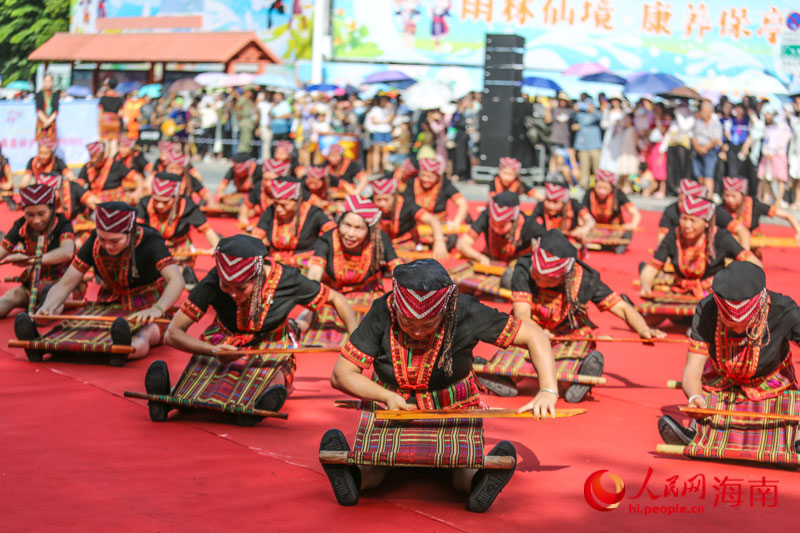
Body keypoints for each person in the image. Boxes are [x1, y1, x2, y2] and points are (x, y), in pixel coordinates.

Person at [320, 259, 557, 511]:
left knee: (463, 465)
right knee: (374, 462)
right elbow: (341, 375)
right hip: (393, 406)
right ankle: (353, 478)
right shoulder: (383, 310)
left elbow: (534, 336)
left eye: (428, 325)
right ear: (397, 309)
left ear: (446, 311)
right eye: (408, 323)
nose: (418, 332)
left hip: (453, 405)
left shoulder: (466, 310)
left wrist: (547, 390)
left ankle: (479, 482)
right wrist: (385, 396)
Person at [154, 235, 357, 421]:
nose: (233, 294)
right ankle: (172, 397)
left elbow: (336, 299)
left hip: (271, 344)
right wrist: (213, 351)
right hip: (224, 341)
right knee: (206, 376)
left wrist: (356, 340)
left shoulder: (288, 279)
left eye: (241, 288)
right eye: (226, 287)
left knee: (270, 378)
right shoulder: (214, 279)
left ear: (259, 277)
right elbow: (172, 334)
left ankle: (260, 400)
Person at [479, 230, 665, 400]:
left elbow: (622, 308)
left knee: (565, 376)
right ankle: (502, 377)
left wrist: (643, 328)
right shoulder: (525, 268)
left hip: (568, 333)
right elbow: (521, 314)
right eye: (535, 274)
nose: (535, 276)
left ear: (562, 277)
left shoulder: (585, 279)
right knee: (515, 363)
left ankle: (582, 376)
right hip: (531, 328)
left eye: (544, 279)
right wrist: (540, 334)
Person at [658, 262, 800, 466]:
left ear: (758, 305)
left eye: (744, 322)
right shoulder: (707, 308)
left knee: (791, 404)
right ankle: (697, 436)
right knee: (706, 403)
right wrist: (695, 396)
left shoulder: (784, 310)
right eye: (730, 323)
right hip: (722, 382)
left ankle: (793, 442)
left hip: (772, 384)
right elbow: (693, 369)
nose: (738, 328)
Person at [28, 202, 184, 359]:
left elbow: (176, 280)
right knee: (83, 328)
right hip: (110, 303)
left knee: (146, 333)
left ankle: (122, 350)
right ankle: (42, 346)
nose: (108, 246)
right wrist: (48, 307)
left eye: (115, 241)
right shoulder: (94, 240)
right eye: (103, 239)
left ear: (131, 232)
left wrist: (158, 309)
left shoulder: (151, 240)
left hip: (148, 304)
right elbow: (66, 283)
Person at [640, 195, 761, 299]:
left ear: (706, 222)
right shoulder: (673, 235)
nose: (687, 225)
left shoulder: (720, 237)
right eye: (684, 219)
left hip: (713, 295)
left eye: (693, 220)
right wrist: (646, 286)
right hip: (680, 293)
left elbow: (753, 263)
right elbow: (652, 267)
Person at [0, 185, 77, 317]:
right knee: (11, 296)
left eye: (41, 214)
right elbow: (2, 249)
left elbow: (67, 251)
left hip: (63, 284)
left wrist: (30, 260)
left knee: (55, 301)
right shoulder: (21, 225)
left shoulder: (63, 223)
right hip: (33, 284)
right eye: (30, 214)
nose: (36, 220)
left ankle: (36, 323)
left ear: (52, 209)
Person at [135, 172, 220, 286]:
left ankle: (182, 272)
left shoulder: (187, 206)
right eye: (156, 200)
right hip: (152, 246)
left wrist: (215, 246)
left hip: (178, 248)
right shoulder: (145, 203)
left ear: (176, 198)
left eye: (165, 202)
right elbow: (134, 231)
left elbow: (208, 231)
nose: (160, 205)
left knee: (173, 268)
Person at [251, 179, 337, 262]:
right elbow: (255, 238)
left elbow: (333, 233)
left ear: (298, 202)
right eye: (276, 203)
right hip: (275, 261)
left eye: (283, 205)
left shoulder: (313, 213)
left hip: (305, 263)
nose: (278, 208)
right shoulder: (271, 210)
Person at [657, 179, 751, 248]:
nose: (685, 205)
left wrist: (743, 260)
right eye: (681, 200)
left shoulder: (713, 210)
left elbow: (742, 231)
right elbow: (662, 236)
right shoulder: (671, 210)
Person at [457, 191, 545, 265]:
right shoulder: (486, 215)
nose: (496, 227)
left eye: (502, 225)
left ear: (514, 221)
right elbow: (462, 244)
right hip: (490, 261)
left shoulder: (529, 225)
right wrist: (479, 257)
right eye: (494, 223)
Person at [371, 175, 448, 259]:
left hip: (404, 244)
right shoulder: (368, 204)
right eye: (378, 200)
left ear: (394, 197)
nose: (382, 204)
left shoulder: (407, 204)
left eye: (386, 200)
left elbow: (432, 220)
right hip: (380, 243)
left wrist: (439, 241)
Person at [720, 177, 800, 250]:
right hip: (727, 247)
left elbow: (787, 215)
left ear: (742, 195)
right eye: (727, 195)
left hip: (751, 247)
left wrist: (798, 232)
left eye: (733, 196)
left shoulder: (754, 205)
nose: (730, 200)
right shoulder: (720, 209)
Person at [402, 157, 468, 228]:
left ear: (437, 176)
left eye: (429, 177)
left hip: (440, 226)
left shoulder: (444, 184)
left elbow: (462, 204)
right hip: (415, 227)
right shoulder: (412, 183)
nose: (425, 179)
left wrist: (456, 222)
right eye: (423, 175)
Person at [531, 182, 595, 248]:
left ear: (564, 202)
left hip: (571, 245)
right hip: (548, 244)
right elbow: (532, 224)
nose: (551, 206)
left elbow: (590, 221)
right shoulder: (541, 206)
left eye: (555, 202)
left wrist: (584, 229)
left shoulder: (573, 204)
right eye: (548, 201)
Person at [76, 141, 142, 204]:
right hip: (95, 201)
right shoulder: (88, 167)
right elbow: (78, 186)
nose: (94, 160)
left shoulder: (115, 165)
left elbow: (138, 178)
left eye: (96, 157)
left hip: (115, 201)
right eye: (92, 157)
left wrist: (137, 192)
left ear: (103, 155)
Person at [691, 101, 723, 197]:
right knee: (699, 176)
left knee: (708, 175)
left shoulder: (716, 123)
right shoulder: (698, 122)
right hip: (697, 150)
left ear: (710, 112)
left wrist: (705, 148)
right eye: (702, 110)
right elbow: (693, 136)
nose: (702, 113)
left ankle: (708, 198)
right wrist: (698, 147)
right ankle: (701, 196)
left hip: (710, 151)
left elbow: (716, 139)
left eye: (705, 111)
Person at [572, 100, 603, 190]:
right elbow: (573, 118)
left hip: (595, 147)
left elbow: (601, 117)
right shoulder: (580, 115)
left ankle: (599, 186)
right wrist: (576, 109)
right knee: (584, 168)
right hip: (582, 147)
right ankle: (583, 186)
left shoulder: (596, 115)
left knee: (597, 169)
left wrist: (593, 110)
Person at [365, 96, 394, 174]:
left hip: (387, 131)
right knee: (376, 150)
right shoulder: (375, 109)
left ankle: (385, 166)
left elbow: (391, 119)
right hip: (378, 131)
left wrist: (390, 110)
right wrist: (385, 121)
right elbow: (374, 121)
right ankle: (375, 168)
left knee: (386, 150)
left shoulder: (388, 110)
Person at [98, 79, 124, 158]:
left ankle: (106, 160)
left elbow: (100, 111)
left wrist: (98, 123)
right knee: (114, 141)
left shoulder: (103, 98)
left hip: (105, 120)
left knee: (105, 141)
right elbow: (120, 113)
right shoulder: (119, 99)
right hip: (115, 121)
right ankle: (112, 160)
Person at [34, 74, 59, 142]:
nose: (47, 83)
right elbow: (38, 110)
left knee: (51, 144)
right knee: (41, 144)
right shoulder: (39, 94)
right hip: (42, 122)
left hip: (51, 122)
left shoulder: (55, 95)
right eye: (46, 81)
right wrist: (45, 121)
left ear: (52, 82)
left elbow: (56, 111)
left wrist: (49, 121)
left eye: (49, 81)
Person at [235, 88, 257, 155]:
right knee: (245, 139)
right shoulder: (243, 99)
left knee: (248, 140)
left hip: (249, 121)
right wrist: (240, 120)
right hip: (245, 121)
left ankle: (246, 153)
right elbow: (238, 109)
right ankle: (242, 154)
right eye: (249, 92)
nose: (250, 93)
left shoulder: (249, 100)